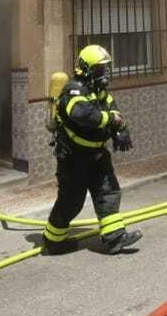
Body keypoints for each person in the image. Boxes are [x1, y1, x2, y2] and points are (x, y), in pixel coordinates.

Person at [42, 44, 143, 255]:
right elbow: (83, 115)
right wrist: (111, 120)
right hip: (73, 158)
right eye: (99, 69)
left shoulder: (100, 91)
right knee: (71, 201)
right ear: (86, 68)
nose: (103, 73)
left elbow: (112, 108)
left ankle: (115, 238)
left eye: (105, 68)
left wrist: (121, 129)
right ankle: (53, 241)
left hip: (97, 155)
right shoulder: (73, 90)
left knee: (108, 192)